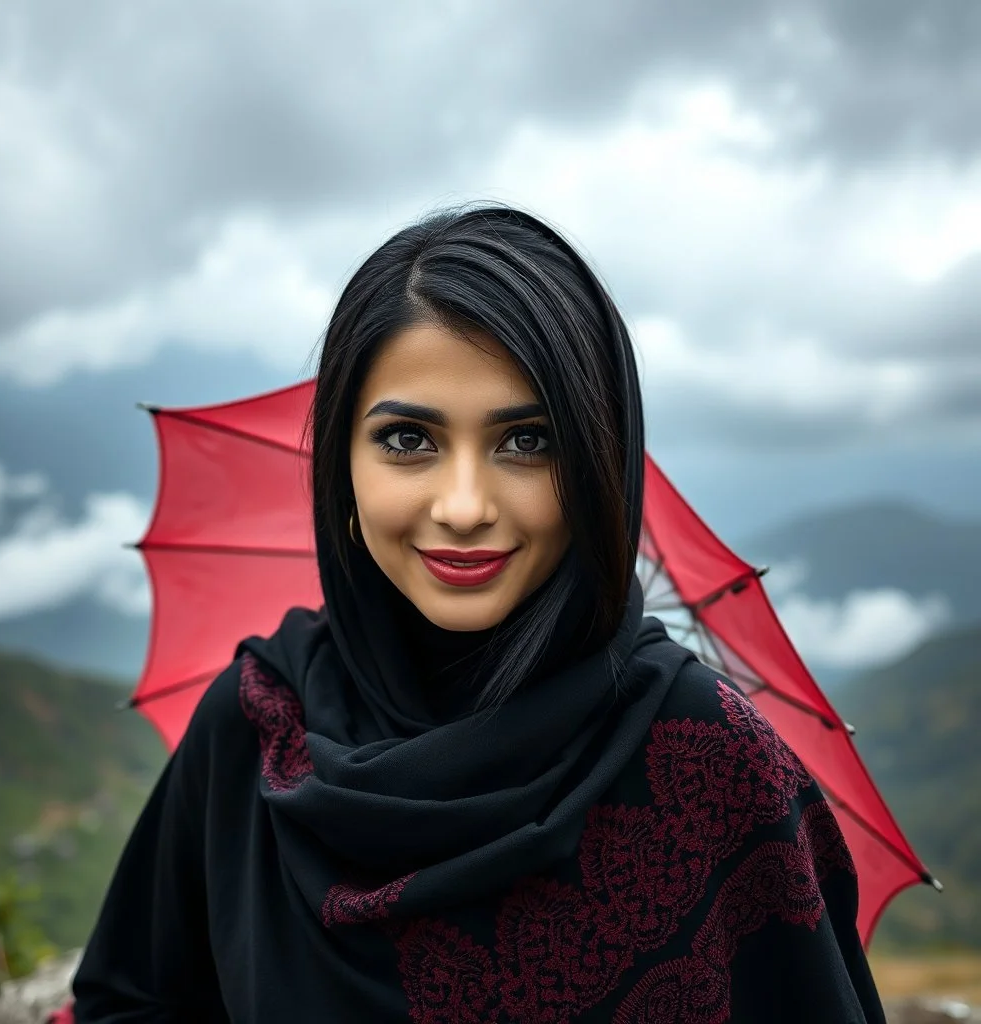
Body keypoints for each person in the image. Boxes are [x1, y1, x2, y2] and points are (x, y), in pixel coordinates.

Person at [70, 206, 886, 1022]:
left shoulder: (708, 761)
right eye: (407, 441)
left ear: (601, 461)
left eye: (528, 442)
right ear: (340, 465)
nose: (463, 508)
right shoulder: (257, 727)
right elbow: (131, 1001)